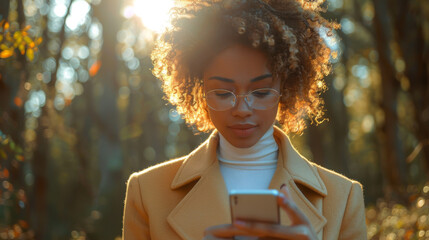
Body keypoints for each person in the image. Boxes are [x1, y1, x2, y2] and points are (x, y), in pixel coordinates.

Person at [122, 0, 367, 239]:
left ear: (286, 87)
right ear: (199, 89)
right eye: (222, 93)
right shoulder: (147, 192)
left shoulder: (343, 198)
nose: (241, 109)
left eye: (261, 92)